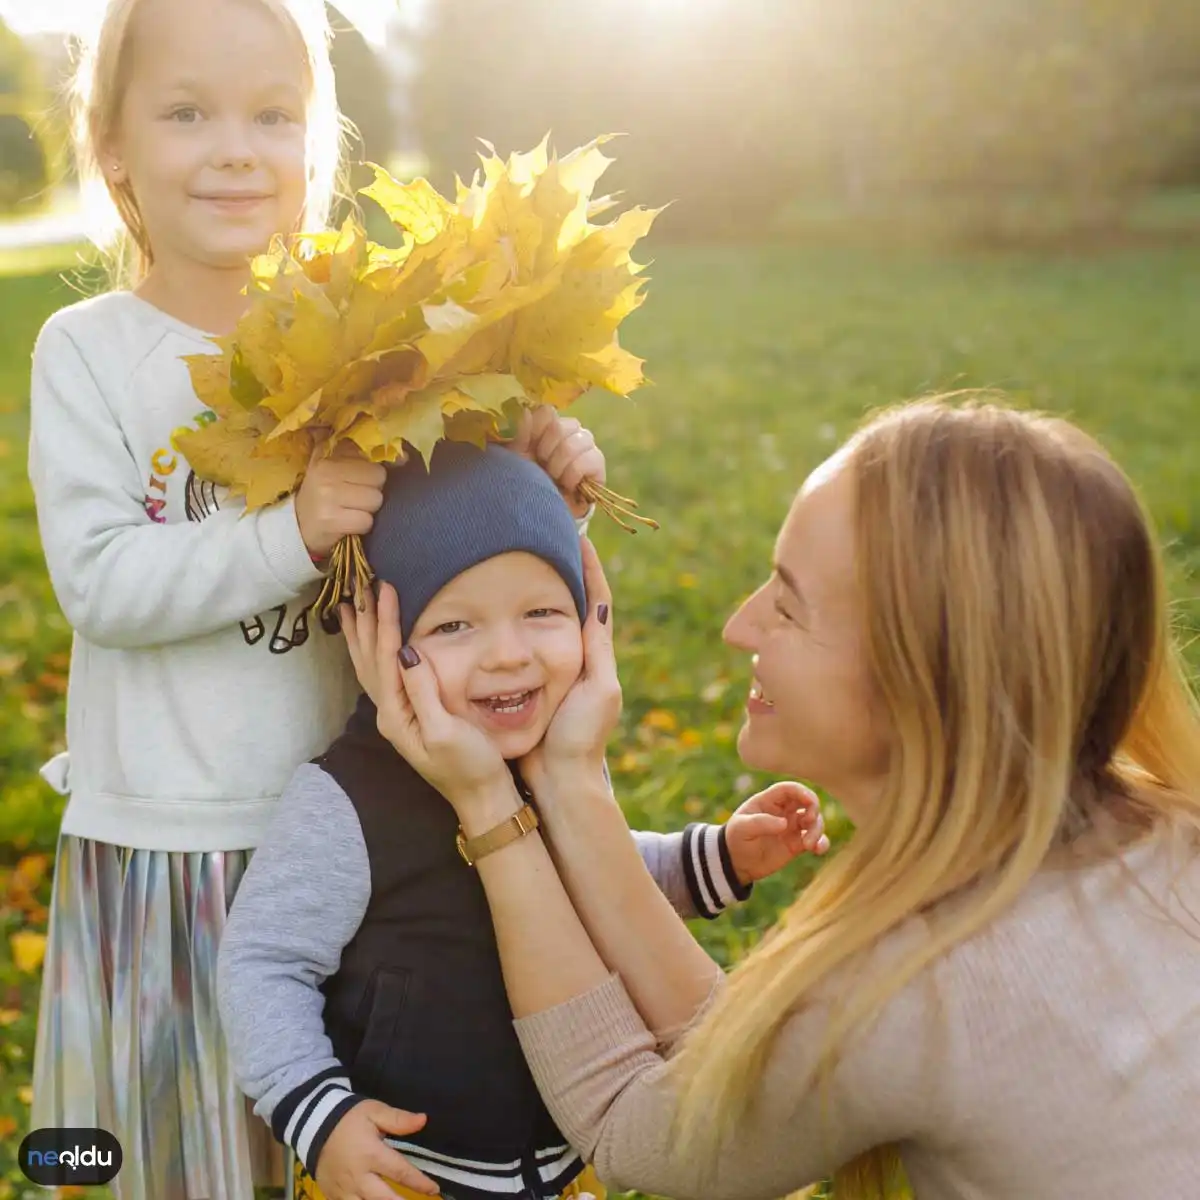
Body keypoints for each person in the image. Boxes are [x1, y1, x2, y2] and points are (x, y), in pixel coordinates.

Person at [25, 2, 608, 1196]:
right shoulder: (89, 350)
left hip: (363, 838)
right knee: (171, 1155)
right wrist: (288, 530)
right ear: (117, 150)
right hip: (173, 846)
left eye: (272, 117)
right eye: (187, 113)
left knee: (355, 1141)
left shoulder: (373, 346)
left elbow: (452, 562)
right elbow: (99, 582)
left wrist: (540, 483)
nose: (236, 148)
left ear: (315, 147)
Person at [357, 398, 1200, 1200]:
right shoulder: (1167, 842)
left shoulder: (926, 978)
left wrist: (488, 806)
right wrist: (568, 780)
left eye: (789, 606)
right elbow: (747, 1061)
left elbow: (635, 1122)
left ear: (922, 677)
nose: (740, 625)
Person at [217, 441, 827, 1200]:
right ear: (380, 639)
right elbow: (265, 962)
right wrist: (317, 1113)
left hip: (567, 1160)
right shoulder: (348, 799)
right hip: (416, 1174)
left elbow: (592, 882)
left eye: (542, 613)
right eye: (453, 627)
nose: (508, 656)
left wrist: (713, 859)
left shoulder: (556, 755)